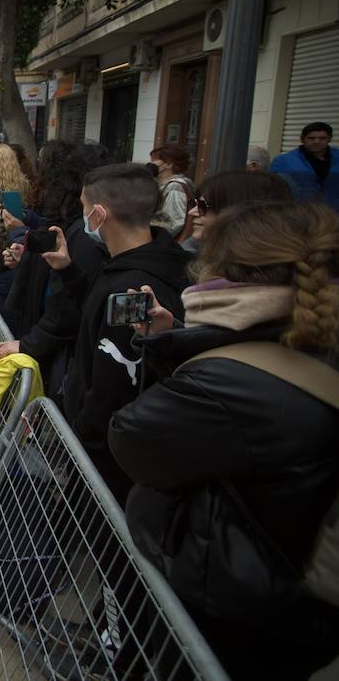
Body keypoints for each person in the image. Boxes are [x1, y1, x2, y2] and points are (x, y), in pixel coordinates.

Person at [107, 201, 339, 681]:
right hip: (296, 604)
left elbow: (134, 439)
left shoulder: (230, 382)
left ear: (227, 272)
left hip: (239, 605)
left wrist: (183, 353)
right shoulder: (305, 345)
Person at [41, 162, 191, 502]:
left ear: (98, 213)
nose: (82, 219)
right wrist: (69, 271)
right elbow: (101, 312)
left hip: (105, 466)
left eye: (83, 208)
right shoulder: (152, 262)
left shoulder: (134, 287)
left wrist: (79, 441)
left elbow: (113, 382)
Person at [0, 142, 112, 403]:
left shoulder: (83, 235)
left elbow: (68, 305)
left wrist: (29, 345)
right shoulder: (64, 222)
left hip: (57, 364)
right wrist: (25, 256)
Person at [270, 121, 339, 211]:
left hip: (333, 212)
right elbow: (270, 188)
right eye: (311, 138)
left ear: (329, 139)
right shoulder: (283, 161)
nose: (316, 141)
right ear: (302, 139)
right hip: (298, 213)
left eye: (322, 138)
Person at [147, 143, 194, 240]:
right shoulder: (166, 185)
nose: (151, 163)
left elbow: (172, 223)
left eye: (154, 160)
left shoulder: (175, 187)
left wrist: (154, 239)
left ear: (168, 164)